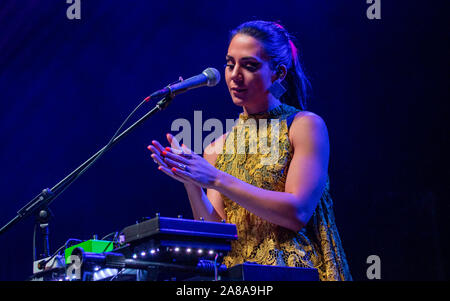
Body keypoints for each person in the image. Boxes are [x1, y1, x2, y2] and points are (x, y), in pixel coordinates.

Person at [147, 20, 352, 281]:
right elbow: (216, 234)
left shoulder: (304, 126)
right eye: (230, 63)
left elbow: (297, 212)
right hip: (238, 278)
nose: (235, 74)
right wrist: (192, 182)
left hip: (294, 274)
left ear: (278, 73)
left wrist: (215, 178)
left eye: (249, 65)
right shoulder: (217, 147)